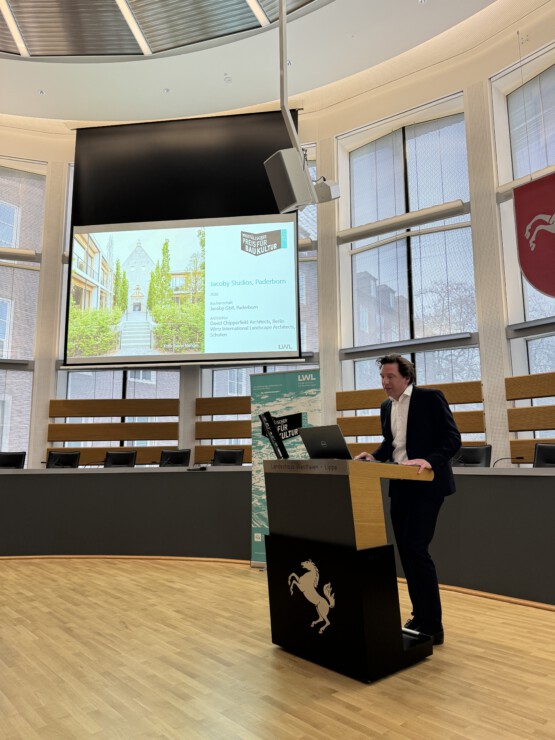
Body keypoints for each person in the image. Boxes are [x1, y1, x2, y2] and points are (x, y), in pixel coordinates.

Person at [355, 354, 461, 645]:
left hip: (427, 486)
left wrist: (429, 460)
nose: (384, 382)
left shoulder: (430, 398)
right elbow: (391, 445)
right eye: (382, 377)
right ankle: (419, 616)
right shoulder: (386, 407)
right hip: (400, 486)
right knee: (405, 552)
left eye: (390, 376)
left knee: (416, 549)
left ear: (406, 377)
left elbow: (452, 439)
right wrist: (373, 457)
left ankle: (433, 626)